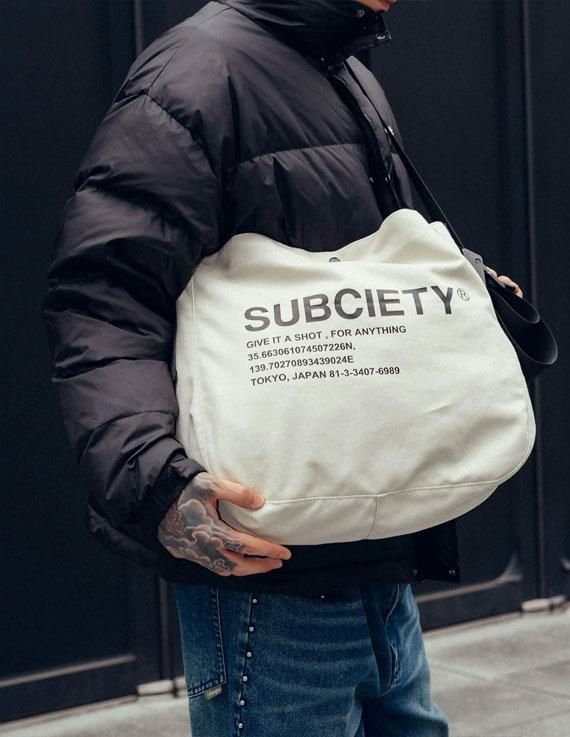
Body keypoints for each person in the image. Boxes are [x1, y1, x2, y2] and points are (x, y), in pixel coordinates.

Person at [41, 1, 523, 735]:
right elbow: (104, 296)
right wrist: (158, 482)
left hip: (379, 558)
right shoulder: (196, 75)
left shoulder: (343, 66)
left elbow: (352, 264)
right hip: (268, 584)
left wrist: (462, 289)